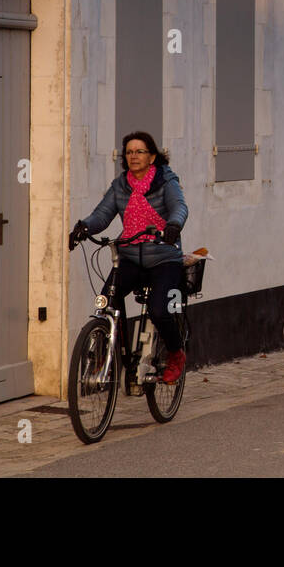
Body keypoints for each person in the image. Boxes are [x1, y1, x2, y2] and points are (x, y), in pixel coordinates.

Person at [70, 131, 189, 384]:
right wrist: (84, 227)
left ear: (152, 156)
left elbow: (179, 206)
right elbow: (102, 215)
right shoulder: (120, 185)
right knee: (105, 303)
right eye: (129, 152)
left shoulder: (166, 182)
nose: (134, 156)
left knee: (159, 310)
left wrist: (174, 225)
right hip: (131, 256)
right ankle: (107, 352)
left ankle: (176, 354)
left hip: (163, 257)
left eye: (140, 151)